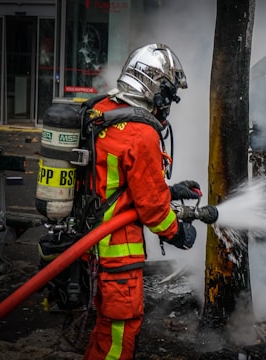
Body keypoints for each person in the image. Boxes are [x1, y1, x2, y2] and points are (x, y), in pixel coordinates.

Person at [82, 43, 202, 359]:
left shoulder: (102, 110)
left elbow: (123, 183)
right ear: (157, 92)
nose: (168, 105)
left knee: (105, 326)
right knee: (120, 333)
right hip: (118, 253)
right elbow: (153, 211)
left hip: (91, 247)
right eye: (169, 95)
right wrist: (178, 234)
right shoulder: (140, 132)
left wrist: (171, 191)